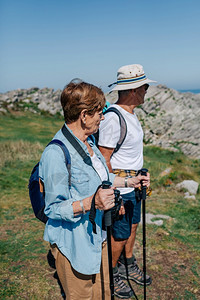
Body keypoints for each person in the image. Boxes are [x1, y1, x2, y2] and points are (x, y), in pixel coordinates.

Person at [39, 79, 150, 300]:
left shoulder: (89, 144)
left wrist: (131, 182)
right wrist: (92, 203)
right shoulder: (55, 153)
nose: (102, 116)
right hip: (74, 244)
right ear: (84, 115)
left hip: (97, 237)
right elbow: (52, 209)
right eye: (99, 112)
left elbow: (105, 178)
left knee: (103, 293)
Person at [98, 64, 155, 299]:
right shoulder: (113, 118)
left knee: (132, 226)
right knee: (119, 233)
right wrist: (114, 191)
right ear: (133, 90)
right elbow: (104, 158)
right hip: (122, 185)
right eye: (145, 86)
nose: (147, 90)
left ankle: (127, 264)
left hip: (135, 183)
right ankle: (111, 274)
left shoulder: (131, 114)